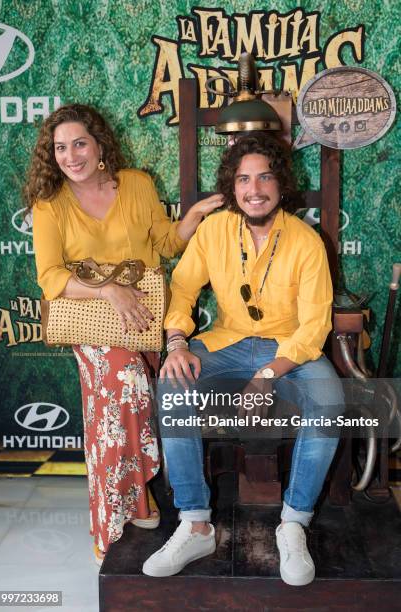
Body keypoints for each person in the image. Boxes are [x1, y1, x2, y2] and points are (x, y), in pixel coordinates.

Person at [142, 132, 344, 586]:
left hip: (289, 348)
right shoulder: (214, 230)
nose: (255, 189)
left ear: (281, 184)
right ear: (232, 188)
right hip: (226, 340)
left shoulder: (307, 241)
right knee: (174, 385)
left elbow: (314, 326)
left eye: (265, 177)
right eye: (243, 179)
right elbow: (184, 287)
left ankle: (293, 524)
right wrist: (176, 341)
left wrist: (268, 375)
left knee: (329, 401)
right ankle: (195, 524)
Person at [26, 103, 223, 565]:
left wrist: (191, 219)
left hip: (142, 321)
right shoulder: (49, 204)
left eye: (79, 144)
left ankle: (138, 502)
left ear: (99, 145)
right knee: (125, 394)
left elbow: (164, 243)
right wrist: (110, 291)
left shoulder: (135, 184)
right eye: (60, 148)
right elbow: (50, 277)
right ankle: (109, 520)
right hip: (91, 321)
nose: (70, 156)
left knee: (119, 412)